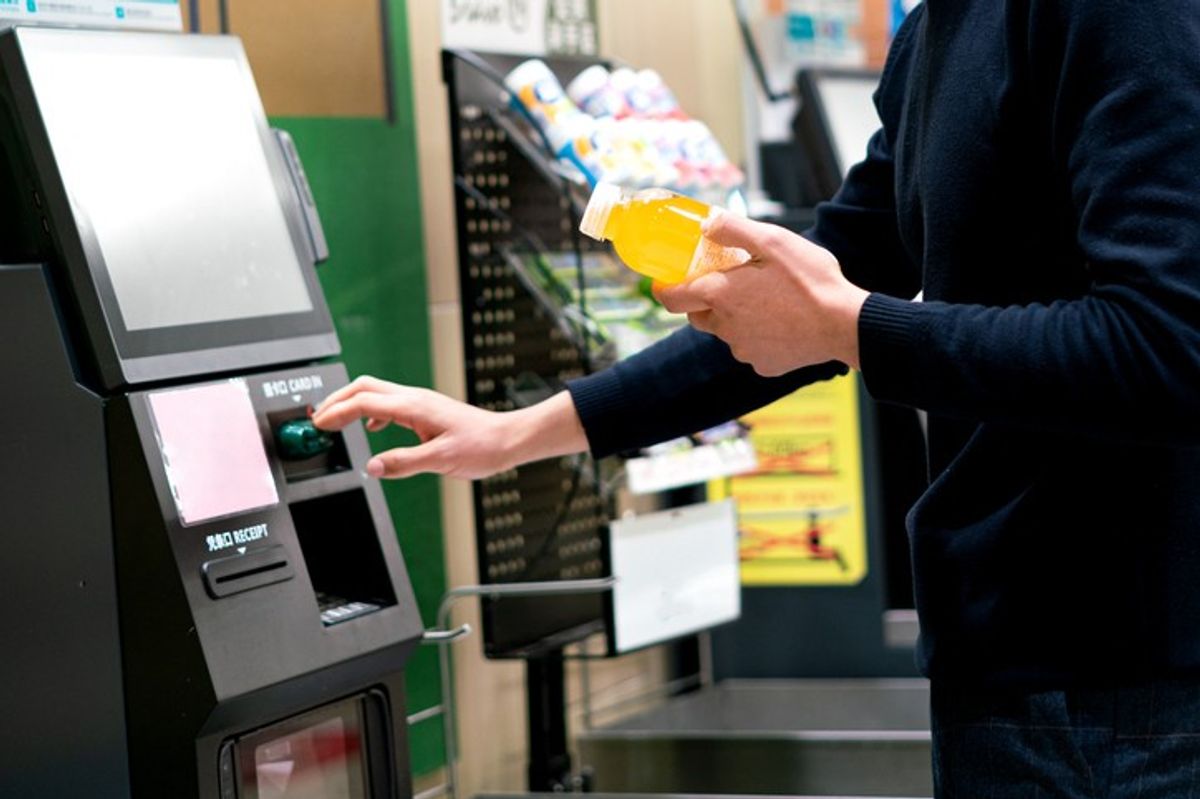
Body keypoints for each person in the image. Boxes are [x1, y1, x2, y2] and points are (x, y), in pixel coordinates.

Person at [314, 1, 1200, 795]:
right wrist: (516, 433)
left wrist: (854, 329)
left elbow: (1171, 344)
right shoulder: (938, 31)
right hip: (1003, 669)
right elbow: (813, 288)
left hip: (1129, 697)